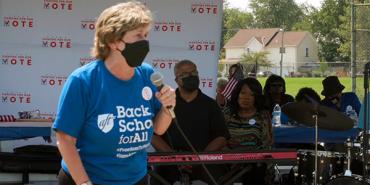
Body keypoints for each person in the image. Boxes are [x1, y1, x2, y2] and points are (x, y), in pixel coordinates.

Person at [52, 2, 176, 185]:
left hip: (136, 179)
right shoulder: (83, 81)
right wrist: (84, 183)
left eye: (146, 35)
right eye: (138, 35)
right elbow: (65, 139)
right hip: (88, 179)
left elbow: (158, 129)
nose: (145, 41)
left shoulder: (147, 74)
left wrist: (167, 109)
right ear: (113, 41)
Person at [151, 59, 230, 184]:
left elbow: (221, 137)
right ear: (177, 80)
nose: (191, 76)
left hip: (204, 163)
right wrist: (175, 158)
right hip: (170, 163)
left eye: (194, 72)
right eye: (185, 74)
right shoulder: (166, 103)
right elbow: (153, 136)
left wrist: (199, 159)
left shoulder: (210, 105)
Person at [223, 77, 274, 185]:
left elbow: (267, 144)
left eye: (251, 95)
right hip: (228, 159)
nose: (246, 98)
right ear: (237, 95)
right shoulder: (227, 113)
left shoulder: (263, 116)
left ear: (257, 97)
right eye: (243, 93)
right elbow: (219, 138)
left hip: (254, 162)